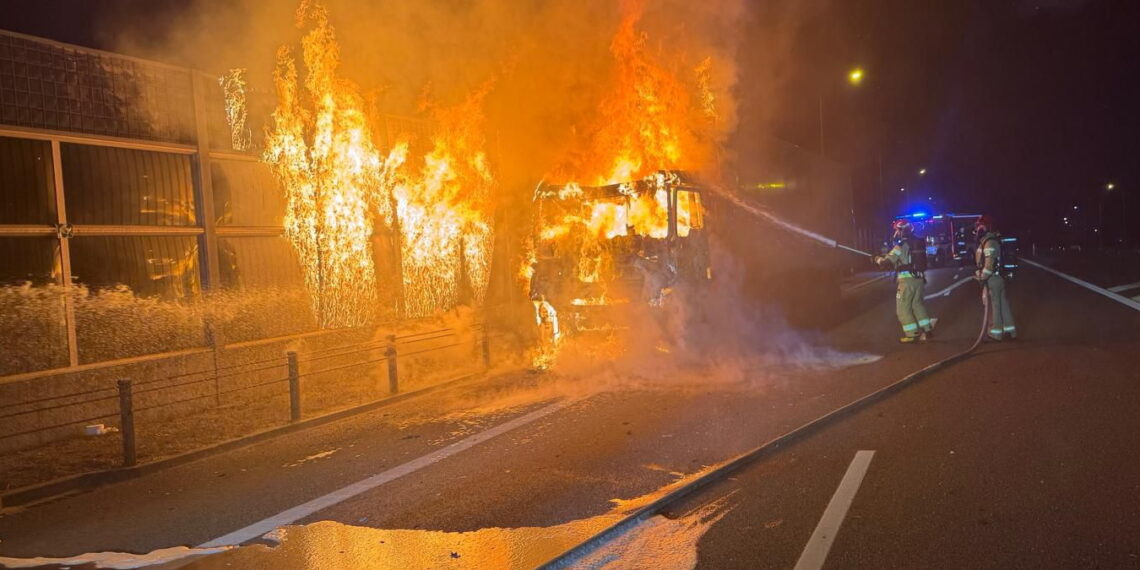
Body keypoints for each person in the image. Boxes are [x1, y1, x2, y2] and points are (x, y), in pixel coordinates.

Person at [875, 219, 934, 343]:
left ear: (901, 230)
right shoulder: (916, 242)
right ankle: (927, 329)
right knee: (917, 305)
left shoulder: (900, 245)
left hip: (907, 282)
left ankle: (912, 334)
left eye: (896, 230)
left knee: (902, 310)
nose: (895, 233)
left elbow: (887, 262)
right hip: (919, 279)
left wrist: (876, 259)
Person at [974, 215, 1016, 341]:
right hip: (998, 278)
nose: (978, 230)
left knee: (993, 306)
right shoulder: (990, 240)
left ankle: (995, 333)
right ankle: (1010, 331)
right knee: (1003, 304)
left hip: (992, 279)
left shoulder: (989, 242)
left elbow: (989, 263)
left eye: (980, 227)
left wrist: (982, 276)